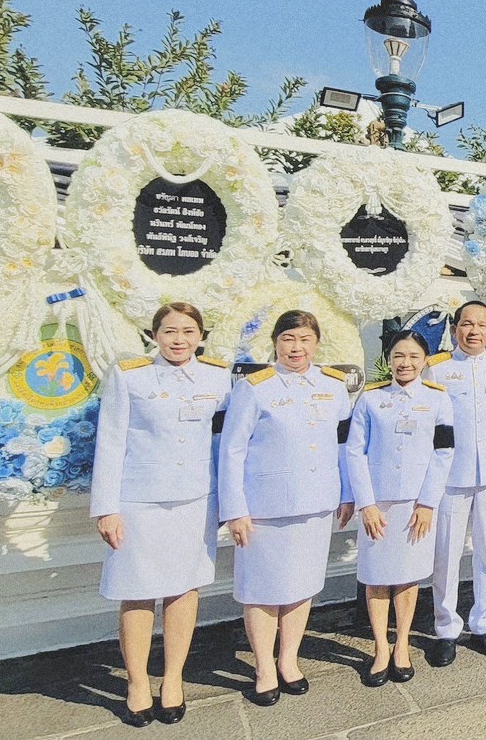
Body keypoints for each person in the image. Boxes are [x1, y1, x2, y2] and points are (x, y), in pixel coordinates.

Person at [91, 302, 231, 726]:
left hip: (194, 500)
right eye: (170, 331)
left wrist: (229, 502)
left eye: (188, 331)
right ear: (154, 335)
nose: (179, 340)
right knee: (137, 590)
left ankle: (172, 679)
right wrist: (106, 508)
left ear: (200, 337)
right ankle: (137, 682)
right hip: (140, 501)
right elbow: (110, 442)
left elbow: (225, 442)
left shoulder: (218, 377)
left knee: (184, 588)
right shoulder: (129, 376)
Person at [218, 310, 354, 706]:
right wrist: (235, 509)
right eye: (288, 339)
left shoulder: (333, 386)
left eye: (305, 339)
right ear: (275, 342)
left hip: (316, 503)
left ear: (316, 343)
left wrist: (347, 494)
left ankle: (288, 660)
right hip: (265, 508)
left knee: (302, 585)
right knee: (262, 589)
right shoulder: (254, 388)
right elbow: (232, 451)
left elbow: (344, 445)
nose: (296, 347)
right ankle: (263, 667)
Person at [343, 331, 455, 687]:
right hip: (378, 506)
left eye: (413, 356)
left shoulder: (438, 399)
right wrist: (366, 503)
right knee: (376, 577)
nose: (405, 363)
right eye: (398, 356)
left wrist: (428, 502)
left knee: (408, 576)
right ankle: (380, 647)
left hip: (415, 506)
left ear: (425, 360)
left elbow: (444, 452)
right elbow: (354, 452)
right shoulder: (371, 398)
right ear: (389, 360)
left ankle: (402, 643)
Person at [425, 300, 486, 666]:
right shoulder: (437, 369)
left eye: (481, 325)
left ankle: (484, 622)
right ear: (455, 329)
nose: (473, 331)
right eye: (466, 324)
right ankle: (446, 628)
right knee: (446, 553)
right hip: (451, 476)